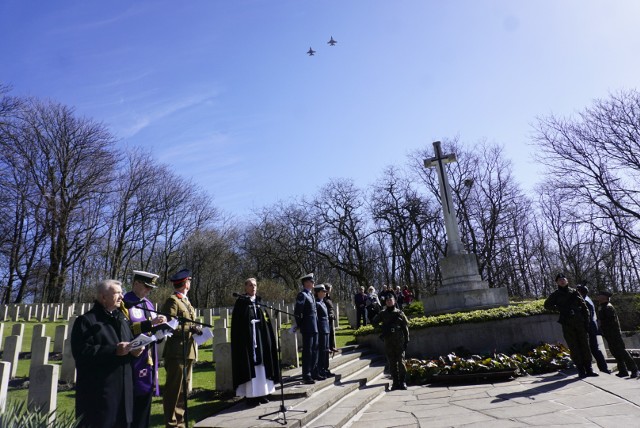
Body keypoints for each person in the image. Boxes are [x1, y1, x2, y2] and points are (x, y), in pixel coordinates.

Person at [71, 279, 144, 428]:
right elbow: (82, 353)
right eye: (117, 293)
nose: (122, 297)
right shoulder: (87, 321)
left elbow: (127, 345)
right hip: (100, 394)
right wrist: (114, 350)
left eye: (121, 293)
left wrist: (135, 351)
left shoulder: (122, 319)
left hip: (124, 392)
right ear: (103, 297)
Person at [123, 270, 167, 428]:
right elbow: (126, 329)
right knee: (132, 400)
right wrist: (151, 323)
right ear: (136, 284)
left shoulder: (148, 303)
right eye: (146, 287)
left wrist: (162, 330)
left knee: (145, 399)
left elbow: (151, 328)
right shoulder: (125, 302)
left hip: (147, 357)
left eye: (151, 288)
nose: (149, 290)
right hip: (132, 358)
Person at [231, 277, 280, 406]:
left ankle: (263, 393)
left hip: (260, 338)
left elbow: (266, 322)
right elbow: (237, 325)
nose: (253, 288)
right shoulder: (241, 303)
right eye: (251, 285)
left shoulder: (259, 303)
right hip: (248, 340)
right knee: (251, 366)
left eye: (255, 285)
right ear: (245, 288)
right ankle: (251, 396)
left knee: (262, 365)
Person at [162, 269, 200, 428]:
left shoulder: (185, 301)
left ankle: (181, 423)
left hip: (187, 351)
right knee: (174, 391)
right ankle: (172, 424)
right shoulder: (173, 301)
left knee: (183, 391)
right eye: (189, 281)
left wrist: (196, 328)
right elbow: (168, 327)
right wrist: (190, 329)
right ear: (186, 283)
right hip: (176, 353)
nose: (190, 283)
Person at [544, 273, 597, 378]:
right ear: (557, 283)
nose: (562, 281)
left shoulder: (574, 292)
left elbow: (584, 307)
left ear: (567, 281)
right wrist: (559, 309)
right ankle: (580, 369)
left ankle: (589, 369)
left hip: (579, 322)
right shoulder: (555, 294)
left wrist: (586, 321)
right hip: (567, 324)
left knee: (585, 346)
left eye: (564, 279)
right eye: (560, 280)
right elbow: (547, 305)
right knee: (574, 347)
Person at [596, 289, 638, 378]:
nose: (598, 297)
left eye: (600, 295)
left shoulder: (608, 307)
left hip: (613, 333)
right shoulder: (602, 306)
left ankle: (634, 369)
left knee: (622, 351)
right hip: (608, 333)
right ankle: (623, 370)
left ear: (605, 297)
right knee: (615, 352)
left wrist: (601, 325)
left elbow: (609, 321)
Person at [371, 294, 410, 390]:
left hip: (399, 341)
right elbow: (374, 322)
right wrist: (382, 328)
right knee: (392, 363)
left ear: (394, 301)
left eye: (391, 300)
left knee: (401, 362)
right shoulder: (382, 313)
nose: (389, 301)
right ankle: (395, 382)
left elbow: (406, 326)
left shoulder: (399, 313)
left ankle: (403, 382)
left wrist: (406, 340)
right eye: (387, 300)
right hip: (388, 341)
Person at [576, 283, 610, 374]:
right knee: (595, 349)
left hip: (589, 327)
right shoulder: (587, 299)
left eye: (577, 290)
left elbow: (586, 316)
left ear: (580, 292)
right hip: (591, 326)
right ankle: (603, 367)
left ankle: (602, 368)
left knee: (592, 349)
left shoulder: (584, 301)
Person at [294, 273, 318, 384]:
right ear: (306, 283)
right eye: (311, 281)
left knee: (314, 350)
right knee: (307, 351)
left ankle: (313, 372)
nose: (313, 283)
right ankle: (306, 374)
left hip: (314, 327)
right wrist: (301, 325)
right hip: (307, 327)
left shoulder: (311, 295)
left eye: (313, 281)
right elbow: (298, 312)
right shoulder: (302, 295)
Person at [313, 284, 332, 379]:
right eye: (323, 291)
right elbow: (316, 318)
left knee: (325, 350)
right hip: (321, 329)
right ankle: (320, 369)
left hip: (326, 329)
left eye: (325, 291)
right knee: (321, 351)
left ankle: (324, 369)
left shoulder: (322, 302)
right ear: (318, 293)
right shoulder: (316, 303)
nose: (325, 293)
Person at [323, 283, 339, 353]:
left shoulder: (329, 297)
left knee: (331, 332)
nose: (330, 290)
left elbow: (331, 307)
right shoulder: (324, 297)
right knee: (327, 333)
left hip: (331, 317)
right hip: (326, 317)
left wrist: (333, 314)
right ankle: (327, 347)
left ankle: (332, 347)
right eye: (330, 289)